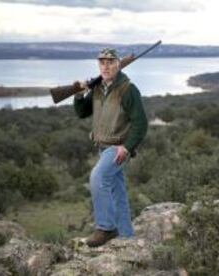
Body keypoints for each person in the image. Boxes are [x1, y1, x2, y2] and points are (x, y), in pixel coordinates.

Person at [73, 48, 148, 247]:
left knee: (97, 177)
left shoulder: (128, 89)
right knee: (117, 192)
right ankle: (126, 235)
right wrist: (80, 95)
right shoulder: (98, 88)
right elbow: (82, 113)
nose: (105, 66)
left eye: (110, 62)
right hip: (102, 147)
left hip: (117, 148)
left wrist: (128, 147)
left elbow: (141, 124)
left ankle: (106, 228)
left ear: (118, 64)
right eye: (102, 63)